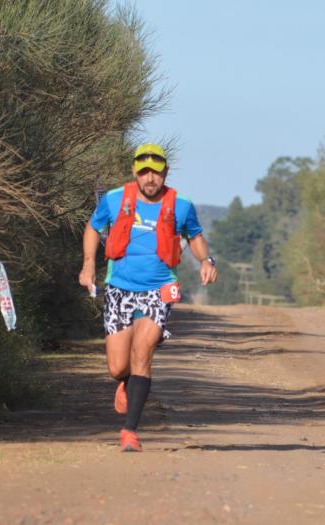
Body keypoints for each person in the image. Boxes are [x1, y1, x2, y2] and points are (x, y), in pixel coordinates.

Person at [79, 143, 217, 452]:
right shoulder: (115, 200)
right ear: (135, 172)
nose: (150, 178)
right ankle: (125, 382)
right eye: (143, 172)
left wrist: (206, 261)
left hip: (159, 290)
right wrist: (89, 264)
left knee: (143, 351)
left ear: (165, 172)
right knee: (117, 367)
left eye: (156, 171)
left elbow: (194, 236)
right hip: (119, 288)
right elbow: (93, 227)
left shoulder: (181, 205)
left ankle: (130, 431)